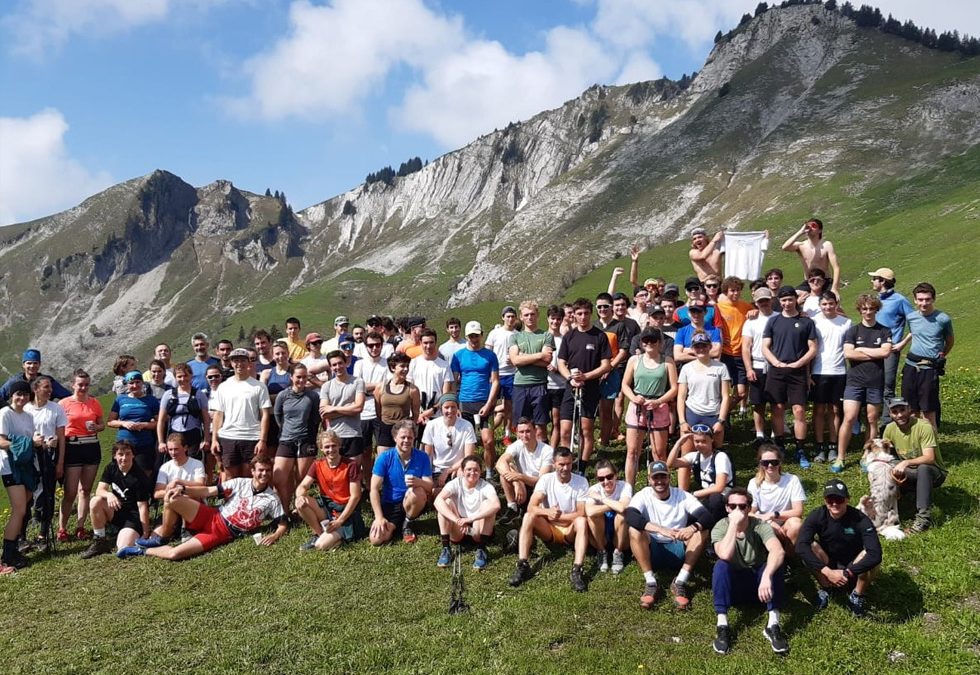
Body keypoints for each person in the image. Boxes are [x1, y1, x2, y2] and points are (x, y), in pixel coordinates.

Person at [120, 454, 288, 560]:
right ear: (252, 471)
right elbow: (208, 490)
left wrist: (275, 535)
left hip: (221, 532)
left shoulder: (272, 499)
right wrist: (184, 489)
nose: (264, 474)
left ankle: (139, 551)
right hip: (212, 515)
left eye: (267, 471)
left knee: (174, 554)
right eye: (260, 470)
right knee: (172, 497)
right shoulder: (239, 483)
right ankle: (163, 536)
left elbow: (282, 523)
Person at [710, 487, 789, 655]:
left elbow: (778, 550)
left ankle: (773, 624)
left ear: (749, 508)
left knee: (774, 564)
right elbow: (724, 554)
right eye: (733, 506)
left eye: (742, 506)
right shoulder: (720, 526)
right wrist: (733, 524)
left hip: (761, 587)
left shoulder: (759, 525)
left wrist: (767, 576)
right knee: (721, 565)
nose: (737, 510)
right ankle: (722, 625)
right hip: (734, 588)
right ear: (727, 508)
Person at [625, 461, 712, 610]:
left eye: (663, 477)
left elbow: (706, 516)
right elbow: (630, 515)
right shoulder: (643, 495)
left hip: (678, 545)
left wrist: (692, 528)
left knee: (702, 531)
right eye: (655, 477)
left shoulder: (682, 495)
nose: (659, 481)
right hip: (652, 548)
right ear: (649, 479)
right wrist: (659, 529)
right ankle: (651, 581)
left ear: (669, 477)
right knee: (634, 530)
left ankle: (680, 581)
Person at [508, 447, 590, 592]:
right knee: (528, 516)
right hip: (549, 529)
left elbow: (581, 512)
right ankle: (523, 564)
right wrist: (548, 512)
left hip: (571, 529)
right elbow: (531, 507)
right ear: (554, 464)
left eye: (569, 464)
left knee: (582, 521)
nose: (565, 468)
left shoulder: (581, 482)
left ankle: (577, 569)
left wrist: (558, 516)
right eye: (561, 464)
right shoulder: (546, 479)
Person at [796, 480, 882, 617]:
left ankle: (857, 594)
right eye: (830, 499)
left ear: (847, 500)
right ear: (825, 500)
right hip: (827, 565)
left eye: (839, 499)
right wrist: (827, 571)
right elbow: (801, 545)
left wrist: (847, 573)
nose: (835, 503)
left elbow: (876, 554)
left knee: (868, 553)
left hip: (853, 567)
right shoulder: (817, 515)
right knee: (810, 546)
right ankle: (826, 587)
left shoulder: (861, 519)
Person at [762, 286, 818, 467]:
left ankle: (800, 449)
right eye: (783, 300)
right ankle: (780, 445)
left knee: (799, 411)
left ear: (796, 300)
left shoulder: (806, 322)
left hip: (798, 371)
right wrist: (775, 362)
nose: (787, 303)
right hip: (777, 370)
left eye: (790, 300)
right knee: (777, 408)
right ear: (779, 301)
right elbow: (765, 347)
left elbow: (813, 348)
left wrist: (799, 363)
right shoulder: (773, 321)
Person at [836, 294, 892, 468]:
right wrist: (872, 352)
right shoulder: (853, 331)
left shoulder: (884, 330)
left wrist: (860, 350)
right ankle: (840, 457)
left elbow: (885, 353)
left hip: (875, 380)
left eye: (871, 308)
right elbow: (848, 354)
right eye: (864, 309)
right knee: (850, 417)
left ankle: (867, 456)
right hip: (854, 381)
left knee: (872, 419)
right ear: (860, 310)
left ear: (876, 309)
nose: (868, 312)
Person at [557, 298, 612, 466]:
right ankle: (566, 464)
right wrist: (570, 378)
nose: (582, 317)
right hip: (570, 388)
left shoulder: (600, 336)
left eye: (586, 313)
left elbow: (606, 365)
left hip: (590, 389)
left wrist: (586, 377)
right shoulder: (569, 336)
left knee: (586, 431)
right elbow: (561, 362)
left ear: (591, 314)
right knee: (565, 431)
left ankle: (582, 466)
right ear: (573, 315)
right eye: (579, 314)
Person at [882, 397, 947, 533]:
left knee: (923, 468)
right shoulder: (889, 429)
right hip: (909, 472)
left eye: (902, 410)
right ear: (890, 414)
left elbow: (929, 458)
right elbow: (885, 455)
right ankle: (886, 512)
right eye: (895, 411)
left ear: (909, 410)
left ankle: (923, 519)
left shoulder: (924, 427)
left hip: (934, 471)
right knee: (884, 467)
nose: (900, 415)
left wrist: (906, 462)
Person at [294, 429, 367, 551]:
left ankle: (334, 538)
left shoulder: (350, 465)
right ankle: (318, 534)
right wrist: (300, 496)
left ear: (339, 445)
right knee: (300, 502)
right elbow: (302, 486)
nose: (331, 449)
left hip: (345, 511)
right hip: (327, 508)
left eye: (334, 445)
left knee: (320, 546)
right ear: (321, 449)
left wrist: (340, 521)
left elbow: (355, 496)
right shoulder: (317, 464)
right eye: (326, 447)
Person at [894, 282, 953, 428]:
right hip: (910, 366)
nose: (924, 303)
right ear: (915, 300)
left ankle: (931, 447)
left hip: (929, 368)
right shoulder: (912, 317)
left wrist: (941, 355)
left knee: (928, 411)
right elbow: (915, 333)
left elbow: (950, 341)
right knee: (910, 409)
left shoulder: (943, 319)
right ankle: (914, 444)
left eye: (927, 299)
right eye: (920, 299)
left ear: (933, 299)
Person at [621, 327, 677, 483]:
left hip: (658, 407)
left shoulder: (667, 361)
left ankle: (661, 484)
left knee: (659, 452)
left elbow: (674, 388)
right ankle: (629, 488)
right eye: (646, 340)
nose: (649, 343)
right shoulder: (634, 360)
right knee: (632, 451)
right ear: (641, 343)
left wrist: (658, 401)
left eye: (653, 340)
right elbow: (625, 384)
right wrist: (633, 397)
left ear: (659, 343)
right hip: (637, 406)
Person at [79, 441, 153, 559]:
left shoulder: (139, 477)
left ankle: (127, 533)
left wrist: (145, 534)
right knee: (95, 501)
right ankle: (100, 541)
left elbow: (142, 507)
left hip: (133, 517)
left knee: (123, 548)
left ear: (133, 455)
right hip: (116, 510)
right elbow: (99, 490)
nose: (124, 458)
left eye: (128, 454)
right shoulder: (111, 467)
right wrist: (109, 495)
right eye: (121, 454)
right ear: (115, 456)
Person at [209, 348, 272, 479]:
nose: (239, 364)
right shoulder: (223, 387)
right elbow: (218, 415)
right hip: (228, 437)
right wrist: (214, 439)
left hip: (252, 438)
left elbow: (265, 415)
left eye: (243, 360)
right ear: (231, 363)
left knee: (250, 479)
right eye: (236, 360)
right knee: (231, 480)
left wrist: (263, 440)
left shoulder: (259, 386)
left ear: (249, 363)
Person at [57, 369, 104, 542]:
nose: (83, 388)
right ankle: (62, 528)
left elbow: (102, 424)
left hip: (91, 445)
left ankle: (80, 526)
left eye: (86, 385)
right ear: (73, 385)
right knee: (70, 491)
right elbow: (59, 427)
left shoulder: (94, 402)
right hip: (72, 446)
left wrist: (97, 428)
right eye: (80, 385)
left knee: (85, 490)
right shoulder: (63, 404)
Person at [369, 420, 432, 545]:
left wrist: (418, 481)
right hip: (390, 503)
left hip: (411, 500)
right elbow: (374, 489)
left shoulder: (422, 456)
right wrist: (379, 517)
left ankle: (408, 523)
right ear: (395, 438)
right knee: (376, 540)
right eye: (403, 437)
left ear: (414, 438)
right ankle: (397, 525)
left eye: (410, 437)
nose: (406, 441)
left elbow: (429, 486)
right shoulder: (385, 457)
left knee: (418, 492)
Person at [434, 455, 500, 571]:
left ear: (481, 471)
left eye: (476, 470)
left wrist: (470, 519)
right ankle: (446, 548)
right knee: (445, 503)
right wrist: (457, 520)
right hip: (458, 528)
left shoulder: (486, 486)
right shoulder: (456, 483)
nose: (472, 473)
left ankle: (481, 549)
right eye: (469, 469)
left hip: (477, 530)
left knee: (488, 505)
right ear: (463, 471)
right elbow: (437, 501)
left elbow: (496, 505)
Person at [450, 321, 500, 475]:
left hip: (484, 402)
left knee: (488, 441)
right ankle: (467, 473)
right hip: (465, 402)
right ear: (466, 337)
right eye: (471, 336)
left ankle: (490, 471)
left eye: (477, 335)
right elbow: (453, 381)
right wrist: (455, 404)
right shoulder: (458, 356)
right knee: (465, 442)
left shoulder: (490, 355)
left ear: (481, 335)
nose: (474, 339)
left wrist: (490, 403)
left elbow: (495, 381)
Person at [0, 380, 40, 569]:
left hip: (25, 466)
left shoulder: (28, 416)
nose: (22, 398)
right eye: (18, 394)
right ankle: (7, 555)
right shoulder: (4, 413)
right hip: (9, 466)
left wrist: (37, 442)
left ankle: (13, 548)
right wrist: (23, 444)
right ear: (11, 395)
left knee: (23, 506)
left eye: (25, 394)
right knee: (19, 510)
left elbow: (30, 439)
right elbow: (1, 440)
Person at [810, 292, 851, 468]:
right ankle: (820, 446)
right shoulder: (814, 322)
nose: (828, 307)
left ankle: (833, 445)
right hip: (818, 371)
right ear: (820, 305)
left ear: (836, 304)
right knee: (819, 409)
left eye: (831, 303)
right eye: (824, 304)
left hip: (839, 371)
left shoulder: (846, 323)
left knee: (835, 409)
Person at [273, 363, 320, 512]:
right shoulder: (283, 395)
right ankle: (284, 511)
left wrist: (310, 437)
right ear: (291, 377)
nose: (301, 380)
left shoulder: (312, 396)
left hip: (305, 440)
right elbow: (278, 415)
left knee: (301, 479)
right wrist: (286, 429)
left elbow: (315, 419)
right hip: (286, 439)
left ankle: (298, 510)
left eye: (304, 377)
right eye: (298, 377)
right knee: (279, 479)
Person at [869, 268, 913, 425]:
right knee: (872, 384)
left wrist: (902, 343)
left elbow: (915, 322)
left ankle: (886, 423)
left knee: (888, 387)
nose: (872, 281)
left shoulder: (899, 300)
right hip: (873, 349)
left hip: (890, 350)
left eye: (874, 278)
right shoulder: (875, 300)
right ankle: (872, 420)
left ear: (882, 281)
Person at [508, 301, 555, 441]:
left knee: (540, 427)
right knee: (521, 427)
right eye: (526, 315)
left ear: (538, 315)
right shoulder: (515, 337)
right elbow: (515, 361)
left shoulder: (546, 335)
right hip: (520, 386)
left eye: (532, 314)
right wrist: (539, 355)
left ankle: (542, 460)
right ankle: (522, 459)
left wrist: (524, 358)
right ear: (521, 317)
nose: (530, 317)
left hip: (539, 385)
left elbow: (547, 359)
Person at [747, 444, 805, 554]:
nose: (770, 465)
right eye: (765, 463)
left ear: (780, 462)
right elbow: (750, 512)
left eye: (774, 462)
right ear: (760, 464)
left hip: (786, 522)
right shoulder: (754, 483)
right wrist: (768, 522)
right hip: (764, 523)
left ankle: (789, 557)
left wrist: (774, 515)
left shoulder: (792, 480)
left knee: (796, 524)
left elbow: (798, 511)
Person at [667, 427, 733, 524]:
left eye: (704, 441)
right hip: (705, 497)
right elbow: (670, 464)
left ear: (712, 439)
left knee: (715, 499)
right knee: (686, 516)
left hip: (723, 497)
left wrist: (694, 494)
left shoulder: (720, 457)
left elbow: (719, 487)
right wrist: (679, 443)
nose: (700, 445)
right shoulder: (694, 456)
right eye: (697, 441)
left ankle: (714, 528)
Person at [676, 332, 731, 449]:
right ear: (692, 349)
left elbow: (726, 396)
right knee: (687, 454)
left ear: (710, 347)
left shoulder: (721, 367)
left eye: (704, 346)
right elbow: (681, 396)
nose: (701, 349)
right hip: (692, 414)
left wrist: (721, 421)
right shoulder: (686, 368)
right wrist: (682, 421)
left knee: (715, 453)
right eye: (697, 346)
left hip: (713, 415)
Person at [495, 417, 554, 523]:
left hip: (540, 488)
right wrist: (516, 482)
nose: (525, 435)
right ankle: (512, 507)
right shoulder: (517, 445)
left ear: (535, 431)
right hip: (523, 484)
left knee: (512, 470)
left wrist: (519, 477)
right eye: (521, 432)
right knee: (504, 473)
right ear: (517, 433)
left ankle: (526, 509)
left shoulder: (547, 451)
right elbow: (500, 463)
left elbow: (541, 481)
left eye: (528, 431)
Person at [422, 393, 478, 494]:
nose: (450, 411)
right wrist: (428, 476)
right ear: (441, 408)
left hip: (458, 467)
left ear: (458, 408)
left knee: (463, 480)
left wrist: (449, 470)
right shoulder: (432, 425)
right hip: (437, 468)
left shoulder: (467, 426)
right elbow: (428, 455)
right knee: (433, 492)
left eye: (453, 407)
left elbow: (468, 456)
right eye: (446, 407)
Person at [107, 371, 160, 477]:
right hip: (123, 443)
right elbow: (110, 421)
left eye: (138, 382)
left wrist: (144, 425)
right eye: (131, 383)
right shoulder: (120, 399)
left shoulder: (151, 400)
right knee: (122, 473)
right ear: (127, 384)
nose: (135, 385)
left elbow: (159, 422)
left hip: (144, 443)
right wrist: (124, 423)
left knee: (145, 473)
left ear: (142, 383)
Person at [157, 362, 211, 464]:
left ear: (191, 376)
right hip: (174, 434)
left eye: (185, 375)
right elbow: (161, 420)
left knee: (194, 463)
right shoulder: (168, 395)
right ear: (175, 378)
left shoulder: (199, 395)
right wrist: (161, 442)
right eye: (179, 376)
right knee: (174, 463)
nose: (183, 379)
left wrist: (206, 440)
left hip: (194, 434)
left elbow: (206, 419)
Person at [585, 459, 633, 574]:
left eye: (609, 476)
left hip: (621, 531)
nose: (606, 481)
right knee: (593, 517)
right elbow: (590, 512)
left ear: (616, 475)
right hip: (602, 531)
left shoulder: (625, 486)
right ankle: (601, 551)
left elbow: (622, 508)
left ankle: (618, 552)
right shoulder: (594, 489)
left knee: (622, 515)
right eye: (601, 479)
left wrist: (602, 499)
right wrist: (614, 505)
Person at [741, 287, 775, 446]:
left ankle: (776, 433)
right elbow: (746, 347)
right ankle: (760, 434)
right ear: (756, 303)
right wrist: (749, 368)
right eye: (761, 301)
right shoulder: (750, 322)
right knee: (758, 403)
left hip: (776, 365)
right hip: (758, 364)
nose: (764, 304)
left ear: (771, 300)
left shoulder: (779, 318)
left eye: (766, 300)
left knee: (777, 402)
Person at [714, 277, 754, 413]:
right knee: (723, 390)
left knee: (742, 392)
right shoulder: (718, 307)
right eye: (732, 291)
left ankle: (723, 414)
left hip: (740, 353)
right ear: (725, 291)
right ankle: (723, 417)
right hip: (724, 353)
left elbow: (758, 313)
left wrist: (755, 312)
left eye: (738, 290)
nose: (735, 293)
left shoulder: (745, 306)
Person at [353, 331, 390, 478]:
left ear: (382, 345)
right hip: (363, 412)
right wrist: (377, 386)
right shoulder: (359, 364)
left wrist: (367, 388)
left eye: (377, 345)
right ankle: (368, 483)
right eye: (371, 345)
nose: (374, 348)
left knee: (383, 452)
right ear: (365, 346)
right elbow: (358, 386)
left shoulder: (388, 363)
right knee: (365, 451)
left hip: (382, 412)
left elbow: (388, 386)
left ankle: (382, 483)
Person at [407, 328, 453, 432]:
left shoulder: (444, 365)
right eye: (425, 343)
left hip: (437, 415)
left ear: (436, 343)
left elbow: (445, 395)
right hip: (416, 416)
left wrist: (430, 411)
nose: (428, 346)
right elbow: (409, 390)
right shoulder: (414, 363)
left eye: (431, 342)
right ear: (420, 343)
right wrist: (418, 414)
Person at [374, 352, 420, 455]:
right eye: (402, 366)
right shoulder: (380, 387)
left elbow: (416, 413)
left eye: (407, 366)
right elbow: (378, 411)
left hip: (403, 430)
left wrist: (409, 428)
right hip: (385, 429)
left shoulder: (412, 389)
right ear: (393, 367)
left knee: (404, 462)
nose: (406, 369)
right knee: (383, 461)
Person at [780, 218, 841, 295]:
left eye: (813, 226)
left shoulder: (827, 245)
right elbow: (785, 247)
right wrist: (800, 232)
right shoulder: (801, 245)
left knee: (831, 300)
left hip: (825, 281)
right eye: (808, 226)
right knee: (794, 295)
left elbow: (836, 267)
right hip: (809, 282)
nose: (810, 228)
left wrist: (834, 288)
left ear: (820, 230)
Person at [486, 306, 519, 438]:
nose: (510, 319)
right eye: (508, 316)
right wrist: (489, 372)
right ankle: (488, 432)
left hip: (512, 373)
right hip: (496, 374)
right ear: (503, 317)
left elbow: (521, 353)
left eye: (512, 316)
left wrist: (515, 360)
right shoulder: (495, 333)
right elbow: (487, 353)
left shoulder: (518, 334)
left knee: (509, 406)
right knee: (491, 404)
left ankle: (507, 434)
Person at [0, 348, 71, 406]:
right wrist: (9, 410)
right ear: (23, 365)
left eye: (35, 363)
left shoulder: (47, 381)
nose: (32, 366)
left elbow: (68, 397)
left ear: (39, 364)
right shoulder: (15, 381)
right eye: (29, 363)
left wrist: (56, 408)